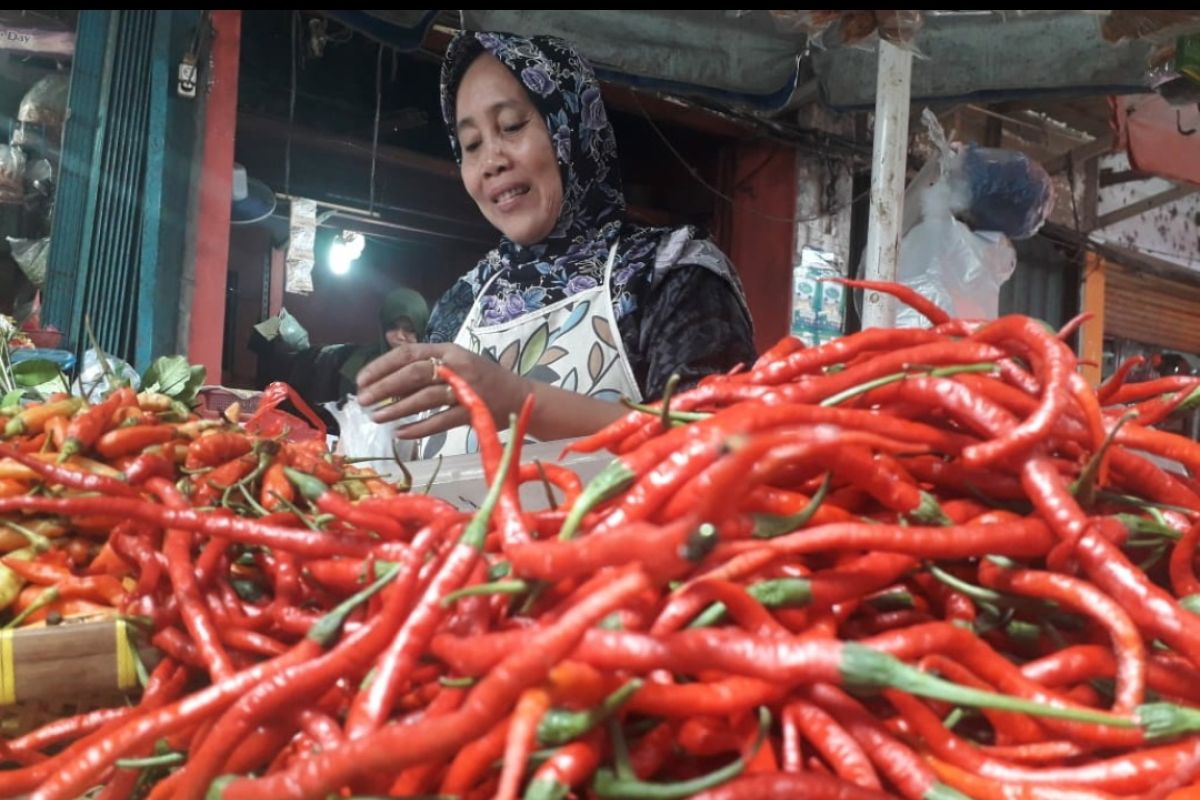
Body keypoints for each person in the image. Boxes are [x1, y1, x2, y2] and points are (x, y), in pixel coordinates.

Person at [356, 32, 756, 459]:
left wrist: (517, 399)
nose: (492, 161)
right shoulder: (462, 301)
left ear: (573, 126)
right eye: (472, 144)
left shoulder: (668, 274)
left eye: (511, 126)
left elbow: (722, 450)